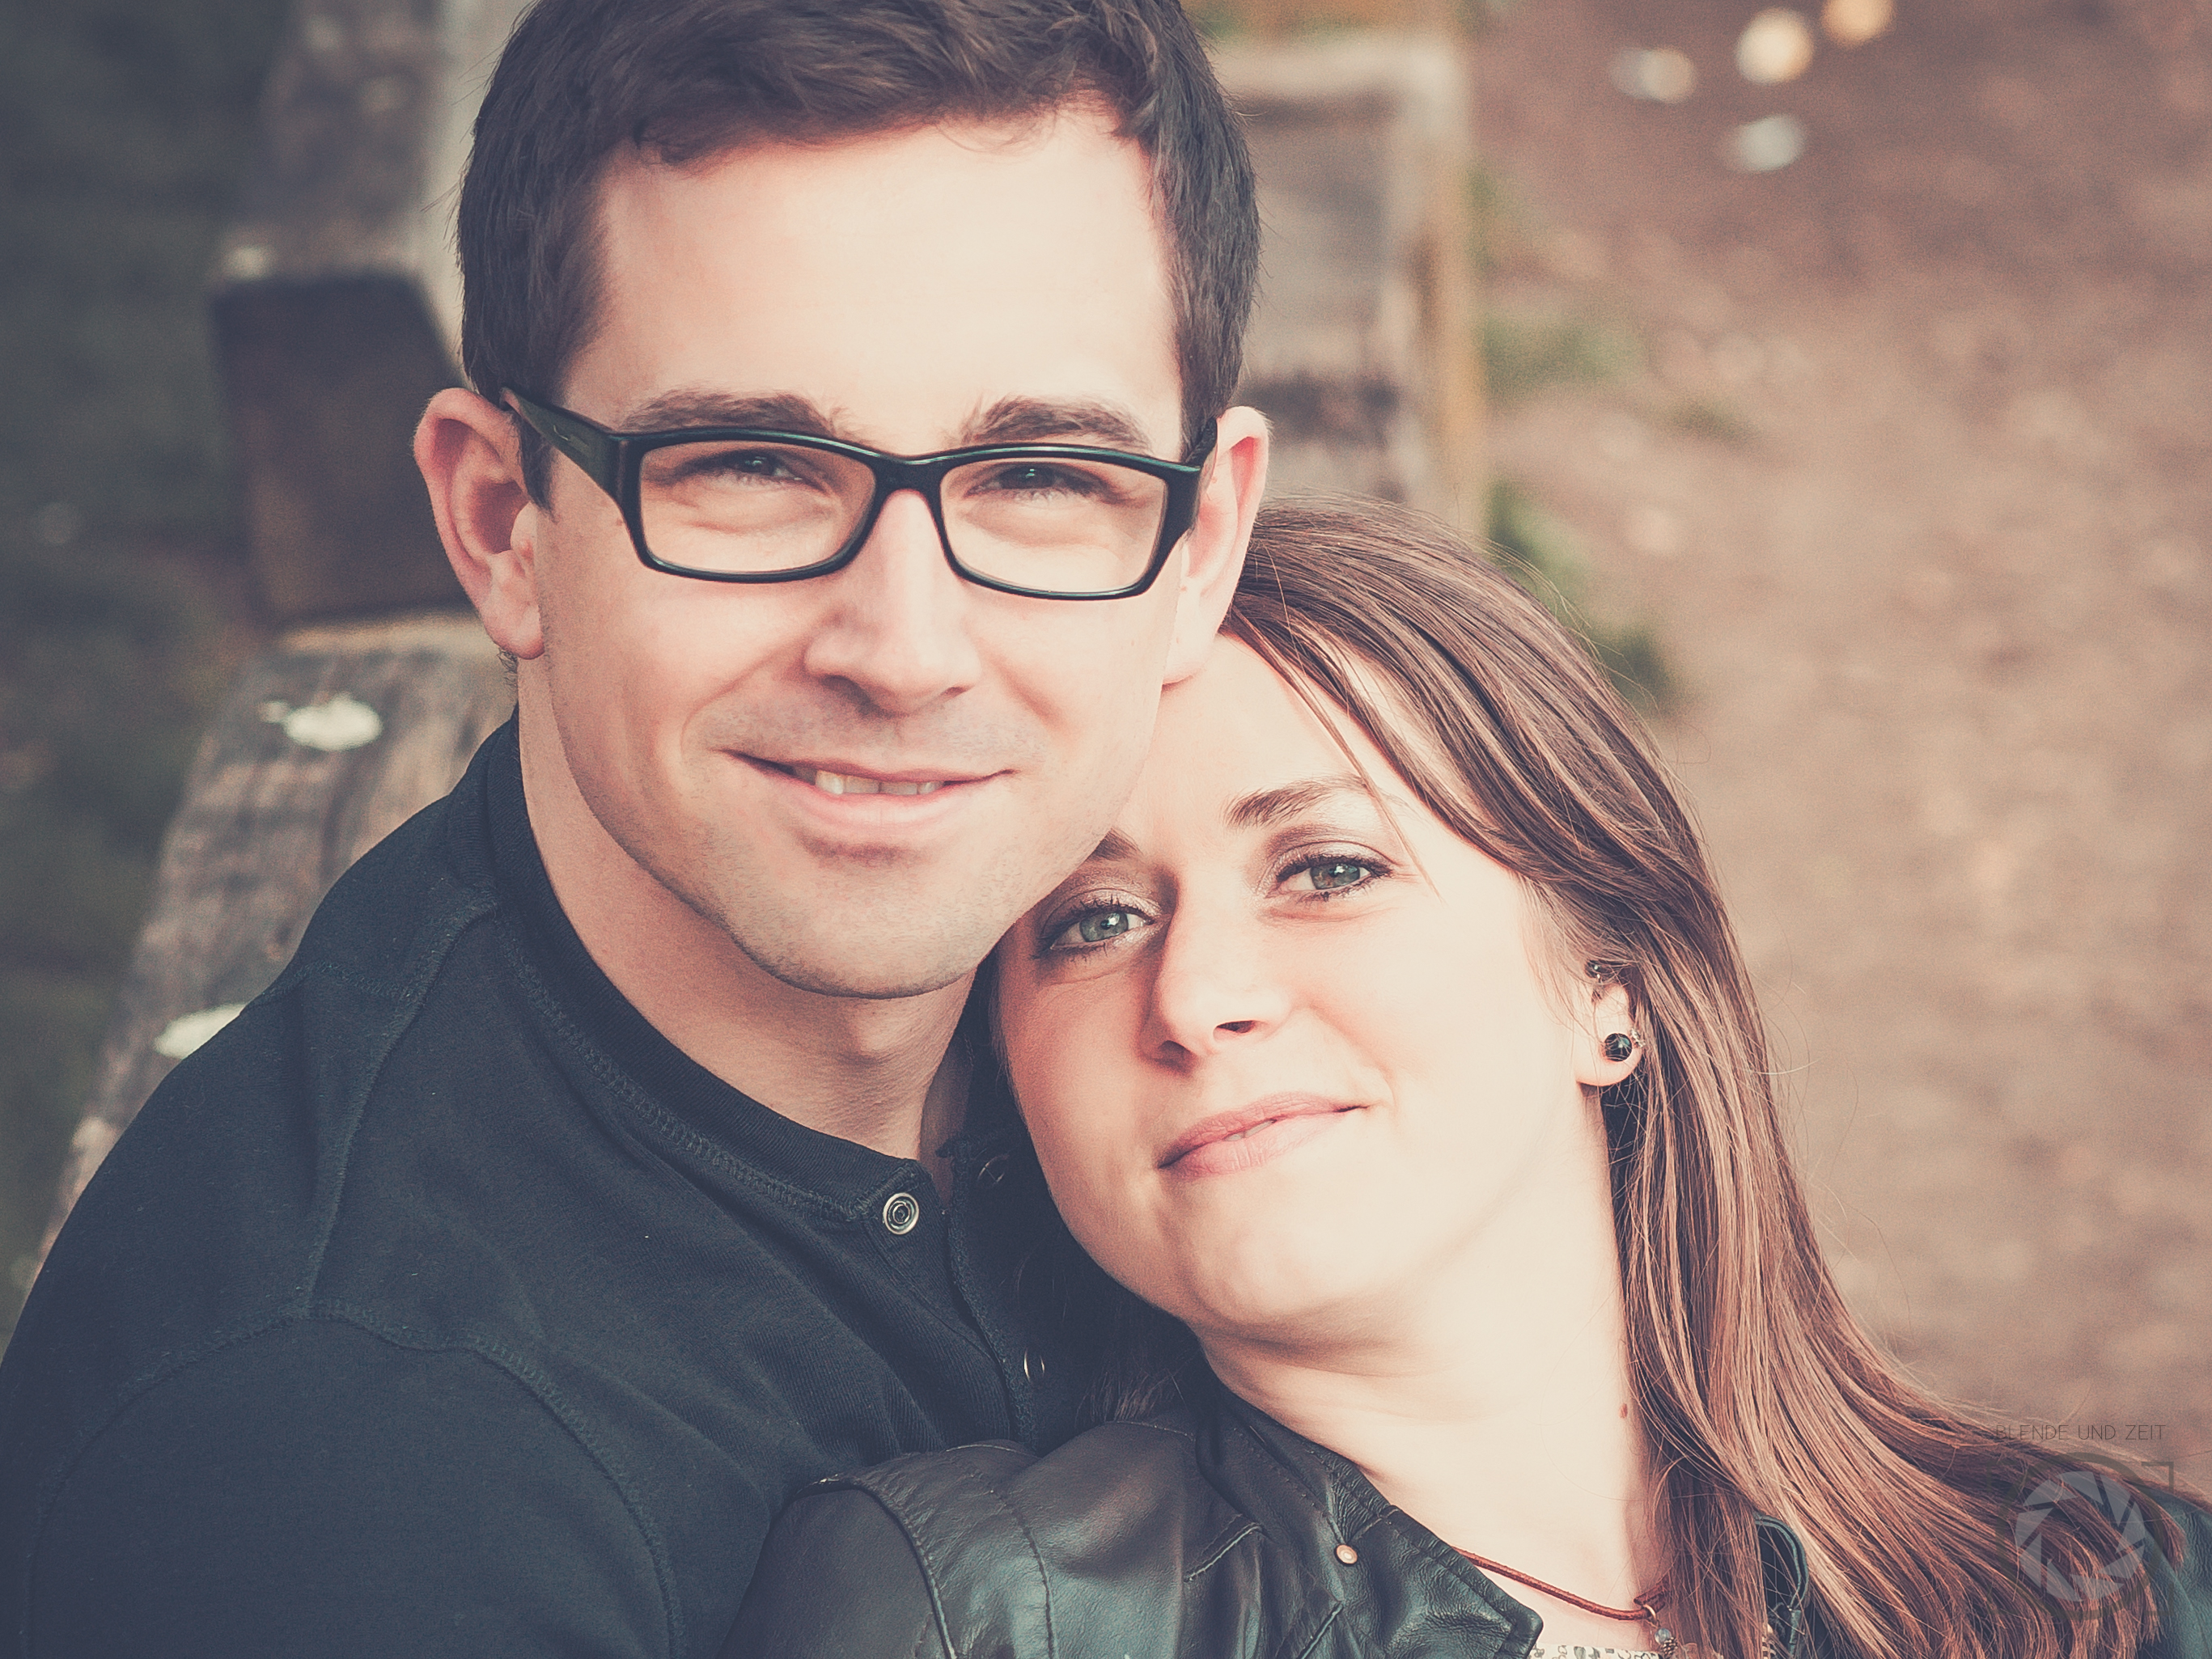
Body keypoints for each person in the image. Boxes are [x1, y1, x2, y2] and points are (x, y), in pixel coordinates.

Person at [0, 2, 1269, 1653]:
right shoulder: (358, 1499)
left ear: (1200, 545)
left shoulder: (1214, 1043)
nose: (903, 648)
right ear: (500, 523)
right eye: (750, 467)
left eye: (1038, 477)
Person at [728, 499, 2212, 1659]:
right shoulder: (984, 1619)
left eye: (1325, 869)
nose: (1193, 997)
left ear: (1605, 985)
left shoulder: (2123, 1583)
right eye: (1092, 922)